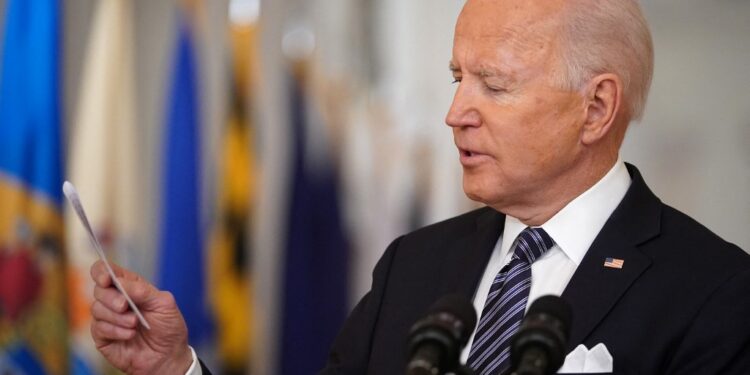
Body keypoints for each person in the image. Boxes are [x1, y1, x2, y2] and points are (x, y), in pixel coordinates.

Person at [90, 0, 750, 374]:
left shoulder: (717, 293)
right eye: (457, 76)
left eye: (493, 83)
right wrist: (175, 366)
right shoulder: (415, 264)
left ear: (597, 108)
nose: (455, 111)